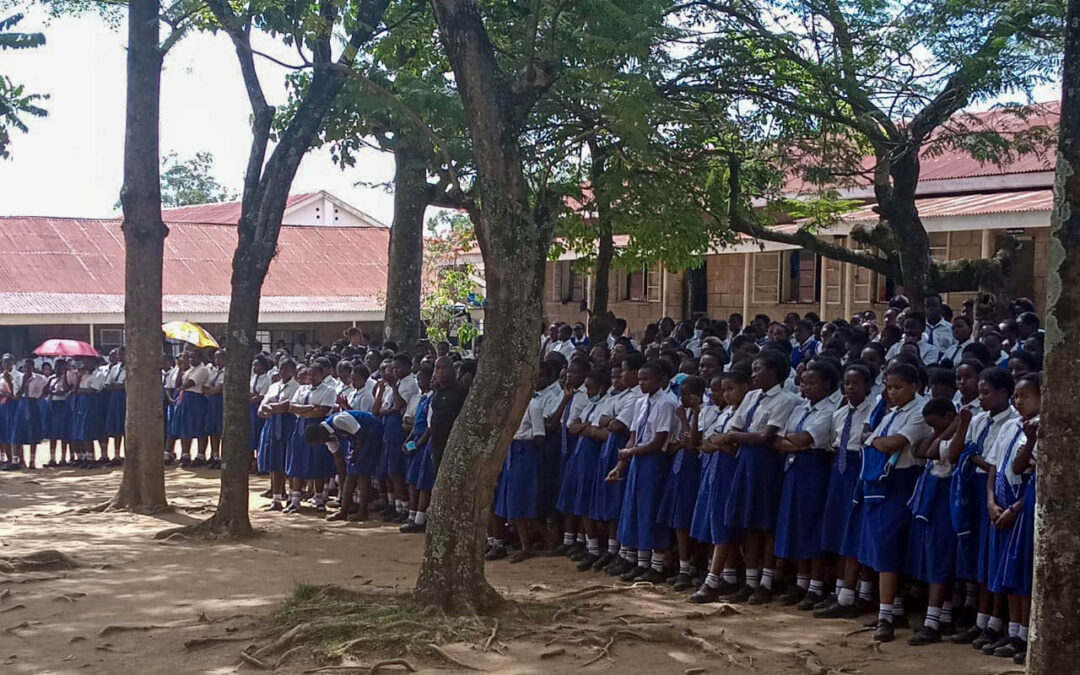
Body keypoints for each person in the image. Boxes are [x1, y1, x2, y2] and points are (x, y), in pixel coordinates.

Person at [716, 349, 799, 604]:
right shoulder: (752, 397)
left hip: (767, 465)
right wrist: (736, 436)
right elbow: (737, 426)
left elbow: (766, 437)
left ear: (774, 372)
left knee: (766, 525)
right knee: (749, 524)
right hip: (745, 461)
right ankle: (750, 580)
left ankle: (767, 580)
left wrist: (734, 437)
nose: (753, 374)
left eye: (758, 369)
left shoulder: (785, 400)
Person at [859, 363, 931, 643]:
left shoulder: (919, 412)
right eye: (888, 387)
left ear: (914, 385)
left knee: (890, 547)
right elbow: (869, 437)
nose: (892, 392)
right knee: (879, 546)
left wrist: (875, 441)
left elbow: (894, 443)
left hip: (903, 482)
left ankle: (885, 615)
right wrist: (877, 440)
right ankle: (894, 608)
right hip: (880, 484)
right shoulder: (891, 411)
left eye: (898, 387)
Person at [948, 367, 1018, 648]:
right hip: (972, 491)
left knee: (994, 560)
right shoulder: (977, 420)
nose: (982, 398)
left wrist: (973, 457)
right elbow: (958, 453)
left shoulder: (1012, 422)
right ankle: (980, 621)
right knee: (977, 558)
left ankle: (996, 624)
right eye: (980, 393)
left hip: (997, 490)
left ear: (1004, 393)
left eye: (987, 393)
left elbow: (994, 464)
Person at [773, 359, 840, 610]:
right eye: (804, 382)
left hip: (815, 468)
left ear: (827, 384)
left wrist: (792, 442)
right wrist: (793, 442)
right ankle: (801, 583)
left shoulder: (829, 410)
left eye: (813, 383)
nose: (806, 387)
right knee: (795, 523)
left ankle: (815, 585)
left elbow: (807, 438)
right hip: (793, 467)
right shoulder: (800, 408)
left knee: (812, 524)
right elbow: (779, 437)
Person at [814, 363, 877, 618]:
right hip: (838, 471)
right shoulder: (839, 415)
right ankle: (841, 591)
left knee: (855, 531)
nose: (850, 388)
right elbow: (832, 443)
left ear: (868, 387)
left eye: (856, 383)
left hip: (858, 469)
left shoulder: (874, 411)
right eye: (847, 384)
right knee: (839, 529)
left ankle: (855, 594)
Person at [607, 361, 679, 583]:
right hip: (638, 459)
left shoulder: (667, 403)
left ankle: (656, 566)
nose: (642, 383)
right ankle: (640, 561)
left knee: (651, 510)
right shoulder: (641, 402)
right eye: (639, 379)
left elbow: (658, 440)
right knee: (635, 509)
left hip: (655, 462)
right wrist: (621, 463)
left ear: (659, 380)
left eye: (646, 379)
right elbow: (633, 434)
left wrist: (630, 451)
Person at [986, 373, 1039, 664]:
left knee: (1022, 571)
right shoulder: (1009, 425)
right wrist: (991, 501)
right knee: (1006, 571)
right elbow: (996, 466)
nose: (1019, 402)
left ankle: (1024, 634)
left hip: (1022, 505)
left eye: (1026, 396)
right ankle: (1013, 630)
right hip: (1001, 501)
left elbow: (1025, 473)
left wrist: (1014, 508)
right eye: (1016, 396)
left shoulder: (1045, 426)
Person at [689, 368, 749, 603]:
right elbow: (704, 443)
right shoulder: (723, 414)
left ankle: (713, 578)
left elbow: (732, 446)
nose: (726, 394)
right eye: (723, 390)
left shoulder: (742, 414)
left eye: (730, 389)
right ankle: (728, 575)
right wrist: (717, 442)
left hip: (730, 473)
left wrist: (719, 442)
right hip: (713, 471)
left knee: (724, 526)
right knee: (714, 523)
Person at [488, 361, 555, 563]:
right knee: (511, 502)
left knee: (521, 502)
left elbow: (540, 436)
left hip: (525, 452)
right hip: (511, 451)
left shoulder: (533, 406)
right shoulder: (512, 405)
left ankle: (536, 541)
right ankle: (530, 541)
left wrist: (525, 446)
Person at [906, 397, 960, 645]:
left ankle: (932, 621)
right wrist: (941, 429)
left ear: (950, 417)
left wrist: (952, 427)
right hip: (931, 500)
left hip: (945, 499)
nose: (934, 431)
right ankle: (943, 616)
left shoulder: (959, 436)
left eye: (937, 425)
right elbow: (920, 450)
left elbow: (930, 452)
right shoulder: (941, 433)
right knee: (933, 559)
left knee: (940, 560)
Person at [594, 356, 644, 575]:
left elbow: (616, 425)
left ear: (634, 372)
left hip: (624, 450)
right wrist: (608, 420)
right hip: (614, 449)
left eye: (623, 371)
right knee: (612, 504)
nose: (621, 376)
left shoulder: (636, 398)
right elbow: (601, 420)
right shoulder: (624, 395)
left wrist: (609, 420)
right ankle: (615, 551)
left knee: (622, 505)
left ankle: (627, 554)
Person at [657, 375, 705, 590]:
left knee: (688, 520)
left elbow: (693, 444)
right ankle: (683, 566)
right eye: (681, 394)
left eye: (686, 394)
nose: (682, 398)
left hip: (694, 472)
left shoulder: (702, 413)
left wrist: (689, 417)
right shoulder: (680, 413)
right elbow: (673, 445)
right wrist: (682, 442)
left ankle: (694, 567)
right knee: (677, 519)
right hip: (677, 470)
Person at [308, 408, 384, 522]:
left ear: (321, 433)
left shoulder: (338, 420)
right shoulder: (327, 438)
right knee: (352, 472)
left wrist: (357, 452)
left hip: (371, 431)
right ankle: (344, 510)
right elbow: (339, 461)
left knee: (362, 471)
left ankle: (363, 511)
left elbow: (359, 433)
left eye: (320, 441)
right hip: (357, 439)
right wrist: (345, 478)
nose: (322, 443)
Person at [284, 358, 339, 514]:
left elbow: (322, 411)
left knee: (317, 462)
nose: (311, 378)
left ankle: (319, 498)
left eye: (314, 375)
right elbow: (291, 407)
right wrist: (309, 408)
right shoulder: (302, 389)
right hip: (300, 428)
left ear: (322, 375)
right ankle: (295, 500)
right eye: (309, 375)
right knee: (298, 462)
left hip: (317, 429)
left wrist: (303, 411)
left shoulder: (329, 390)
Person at [257, 358, 299, 511]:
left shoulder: (296, 387)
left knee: (289, 461)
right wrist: (268, 408)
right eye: (281, 368)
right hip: (272, 425)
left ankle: (293, 496)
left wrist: (271, 407)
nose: (283, 372)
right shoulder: (274, 386)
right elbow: (262, 406)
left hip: (288, 425)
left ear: (293, 371)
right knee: (274, 461)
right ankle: (276, 498)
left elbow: (287, 406)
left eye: (287, 369)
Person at [402, 362, 434, 531]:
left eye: (423, 379)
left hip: (423, 444)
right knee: (412, 480)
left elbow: (428, 429)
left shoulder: (432, 399)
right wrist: (408, 441)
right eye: (419, 379)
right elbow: (415, 426)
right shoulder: (421, 399)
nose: (420, 382)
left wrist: (414, 445)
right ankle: (411, 515)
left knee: (422, 482)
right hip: (415, 440)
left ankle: (420, 519)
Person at [176, 349, 211, 468]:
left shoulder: (203, 369)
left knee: (199, 427)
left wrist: (180, 388)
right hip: (185, 399)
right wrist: (181, 368)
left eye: (194, 357)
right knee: (185, 427)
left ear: (200, 358)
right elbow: (178, 383)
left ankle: (200, 455)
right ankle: (186, 454)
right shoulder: (189, 370)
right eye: (190, 357)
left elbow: (191, 383)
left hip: (196, 399)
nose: (191, 360)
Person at [8, 358, 46, 470]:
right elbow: (16, 395)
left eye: (29, 367)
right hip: (21, 403)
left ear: (32, 367)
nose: (27, 369)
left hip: (33, 403)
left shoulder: (39, 379)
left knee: (33, 432)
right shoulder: (18, 378)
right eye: (25, 367)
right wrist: (24, 383)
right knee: (18, 432)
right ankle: (15, 460)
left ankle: (32, 460)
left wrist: (36, 398)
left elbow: (41, 392)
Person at [44, 359, 73, 467]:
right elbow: (45, 391)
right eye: (56, 366)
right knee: (52, 433)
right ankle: (52, 458)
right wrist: (51, 390)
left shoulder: (68, 378)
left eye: (60, 367)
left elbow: (65, 389)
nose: (57, 369)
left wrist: (65, 374)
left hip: (63, 405)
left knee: (63, 432)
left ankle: (63, 458)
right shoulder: (51, 378)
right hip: (52, 405)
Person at [103, 347, 126, 466]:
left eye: (122, 354)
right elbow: (108, 384)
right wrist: (118, 386)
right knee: (116, 428)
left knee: (126, 428)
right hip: (114, 399)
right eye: (118, 355)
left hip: (125, 399)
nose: (120, 357)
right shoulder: (114, 368)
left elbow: (127, 386)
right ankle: (117, 455)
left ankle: (129, 455)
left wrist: (119, 386)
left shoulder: (132, 368)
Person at [204, 349, 226, 469]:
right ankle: (215, 455)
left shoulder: (226, 372)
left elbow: (217, 389)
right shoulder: (213, 372)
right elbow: (205, 388)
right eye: (216, 358)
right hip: (211, 403)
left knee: (220, 429)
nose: (218, 360)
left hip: (220, 403)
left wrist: (212, 390)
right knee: (212, 430)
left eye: (220, 358)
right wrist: (212, 390)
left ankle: (223, 456)